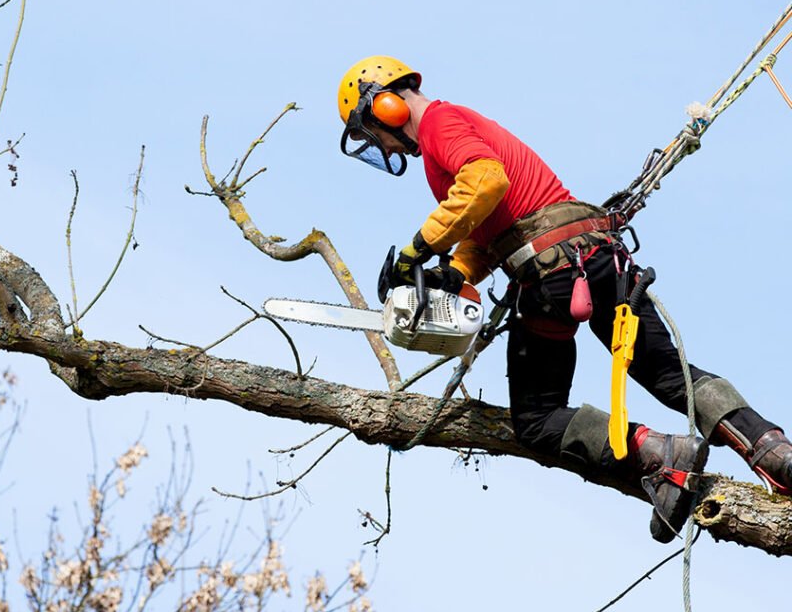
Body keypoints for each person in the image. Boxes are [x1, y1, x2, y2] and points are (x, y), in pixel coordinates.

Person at [338, 55, 792, 542]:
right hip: (599, 259)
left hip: (553, 275)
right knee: (667, 373)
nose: (383, 144)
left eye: (371, 132)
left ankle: (660, 454)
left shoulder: (440, 126)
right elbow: (486, 225)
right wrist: (453, 272)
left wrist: (417, 249)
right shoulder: (457, 130)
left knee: (536, 419)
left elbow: (486, 182)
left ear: (383, 105)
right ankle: (772, 452)